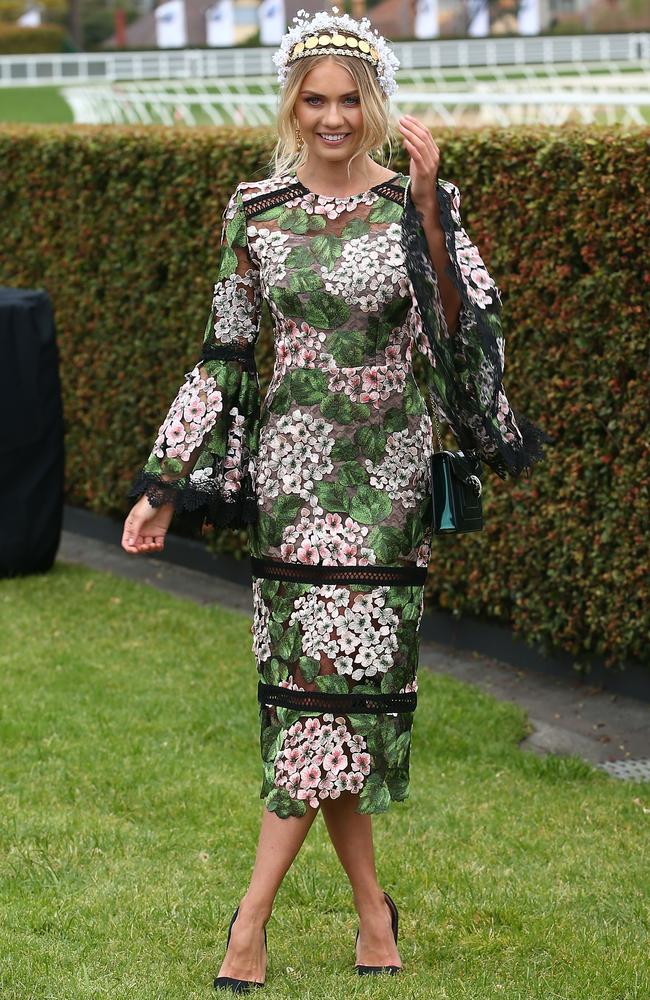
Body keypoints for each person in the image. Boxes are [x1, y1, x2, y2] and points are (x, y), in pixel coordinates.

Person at [121, 6, 547, 991]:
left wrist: (434, 206)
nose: (331, 116)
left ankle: (251, 919)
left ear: (374, 103)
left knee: (337, 695)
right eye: (313, 100)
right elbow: (223, 354)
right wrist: (164, 486)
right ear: (290, 104)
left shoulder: (413, 200)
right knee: (321, 699)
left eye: (348, 99)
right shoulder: (254, 210)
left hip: (387, 484)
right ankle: (367, 914)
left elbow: (460, 330)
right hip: (293, 482)